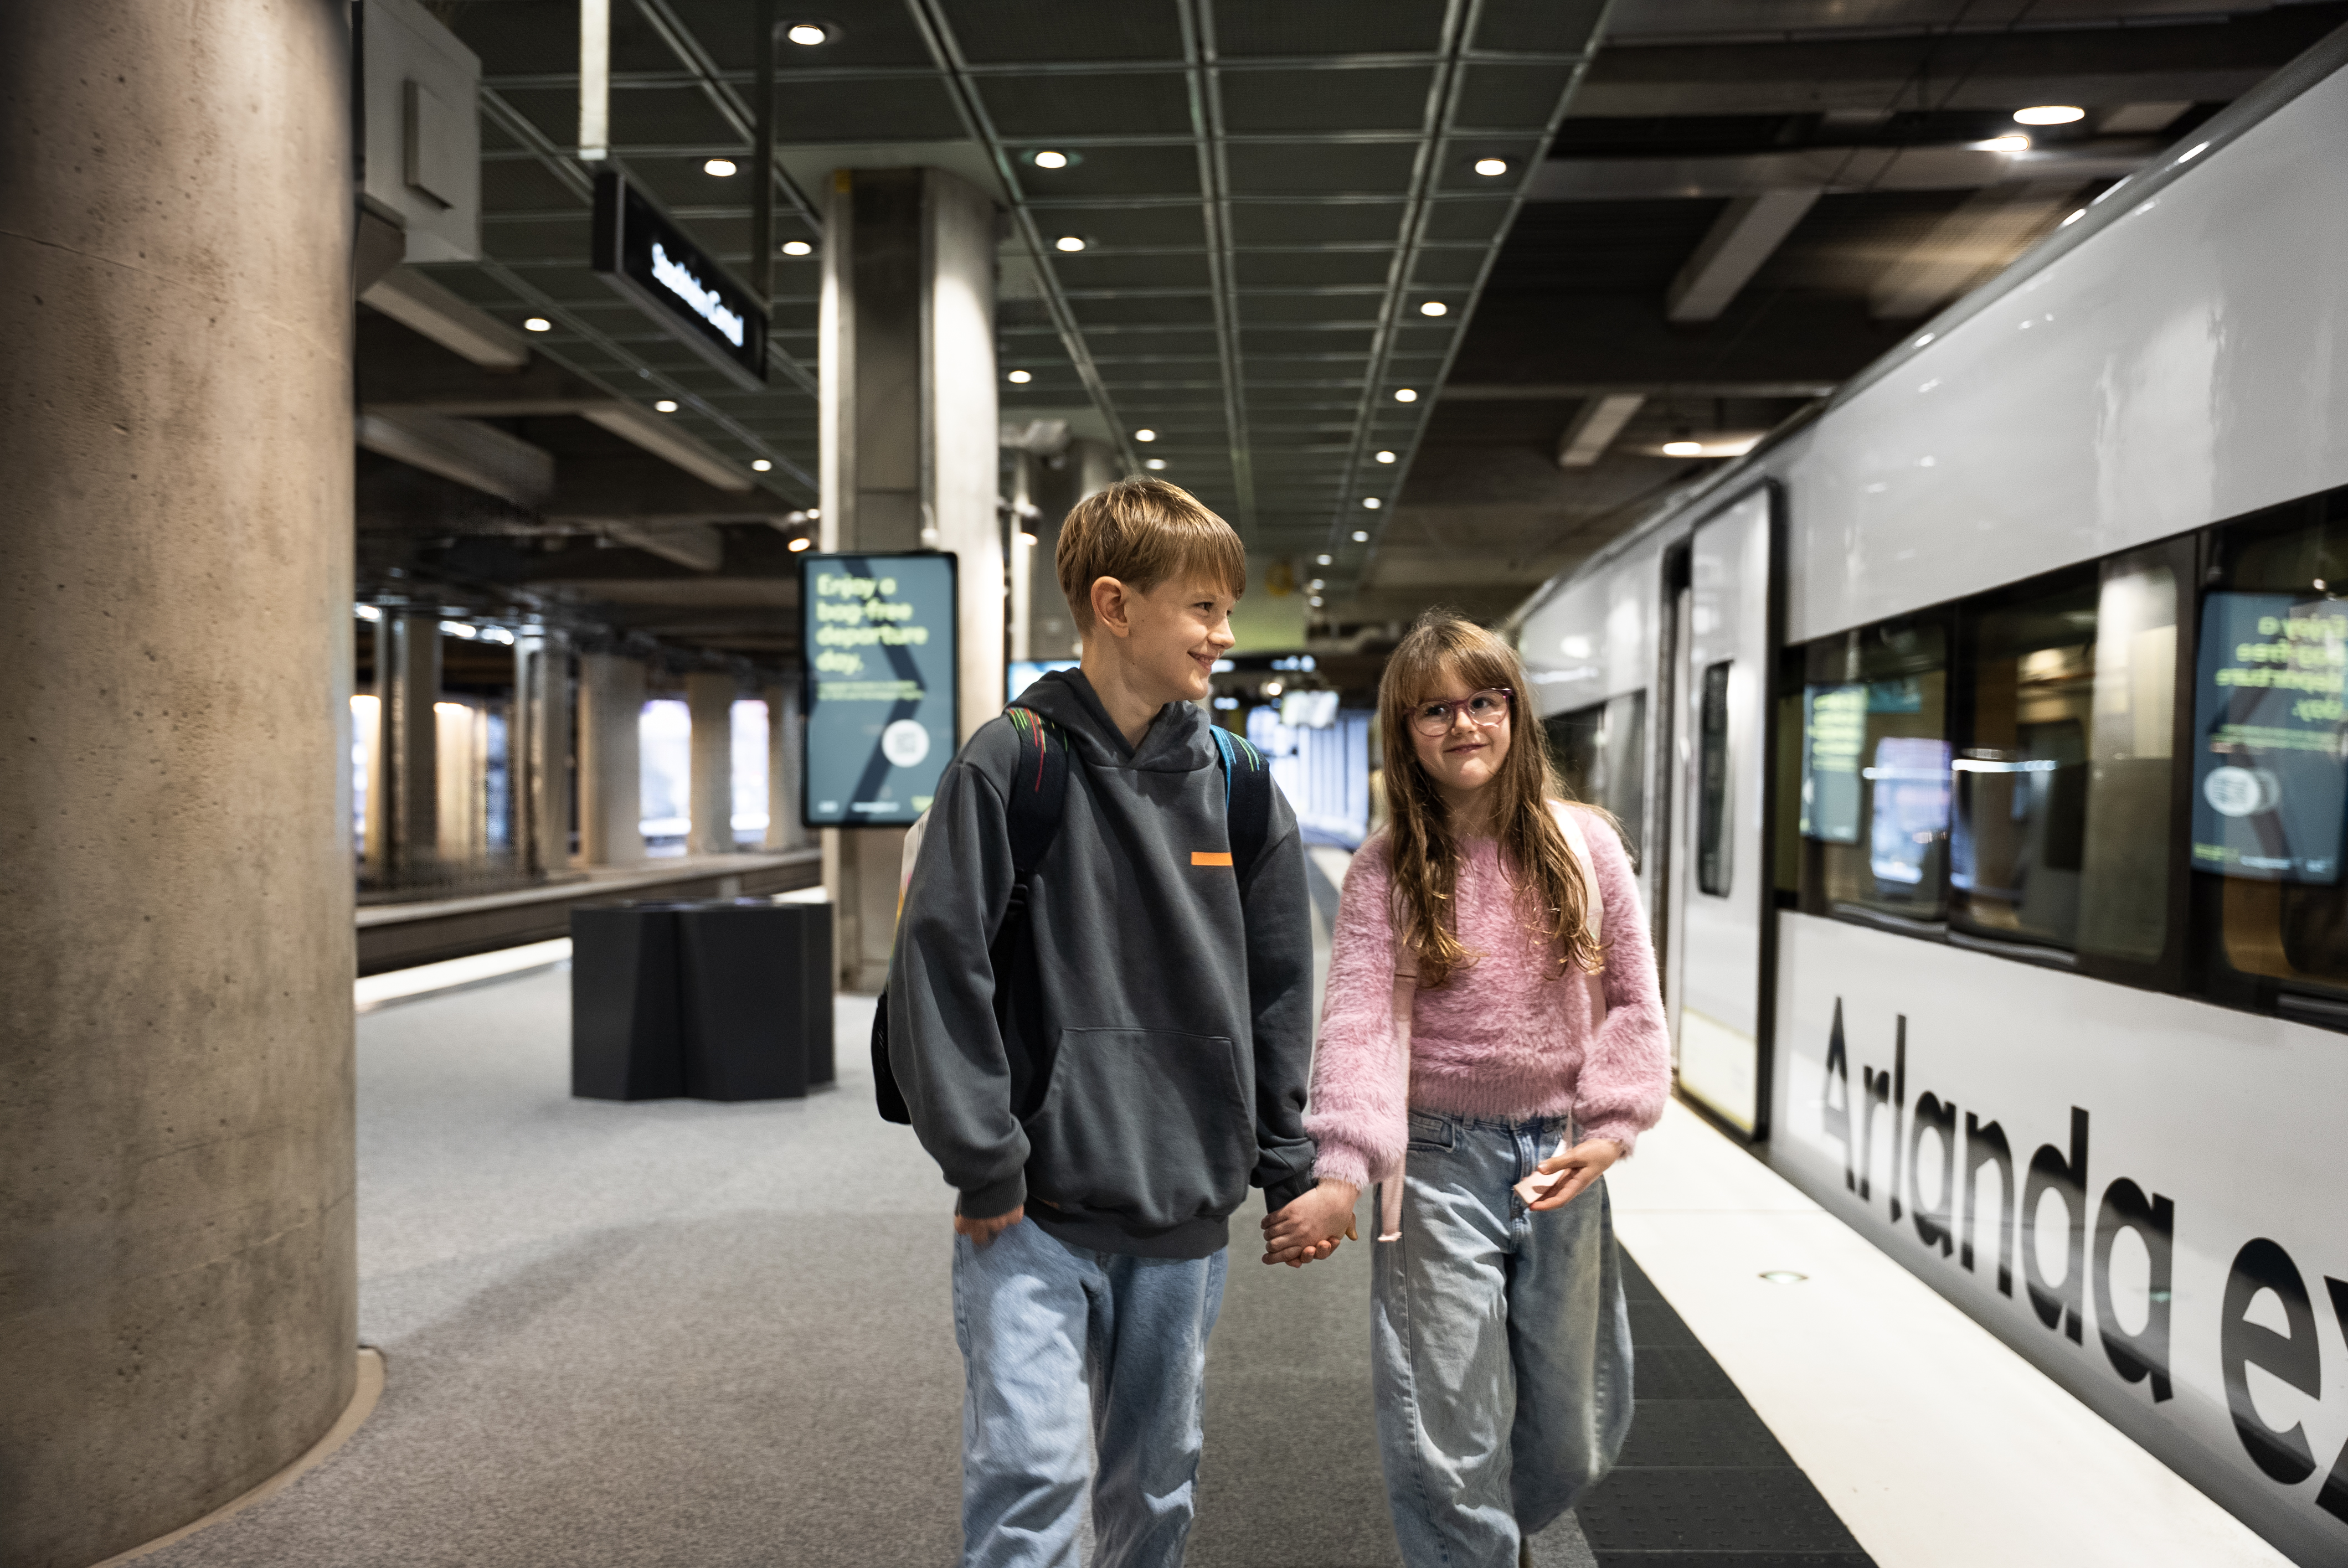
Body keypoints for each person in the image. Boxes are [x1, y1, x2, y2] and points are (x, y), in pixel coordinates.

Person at [887, 477, 1330, 1568]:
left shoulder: (1235, 781)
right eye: (1203, 608)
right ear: (1114, 604)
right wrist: (984, 1164)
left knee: (1157, 1481)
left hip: (1182, 1217)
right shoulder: (1011, 763)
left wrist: (1288, 1165)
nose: (1224, 636)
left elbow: (1281, 989)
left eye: (1227, 611)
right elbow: (939, 969)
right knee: (1028, 1479)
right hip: (1030, 1213)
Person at [1262, 611, 1671, 1568]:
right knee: (1446, 1423)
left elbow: (1634, 1002)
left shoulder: (1587, 846)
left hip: (1565, 1158)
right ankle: (1471, 1545)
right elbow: (1360, 1023)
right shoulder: (1387, 866)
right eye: (1434, 710)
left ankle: (1496, 1529)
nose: (1464, 725)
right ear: (1405, 734)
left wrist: (1613, 1129)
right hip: (1438, 1160)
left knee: (1574, 1425)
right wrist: (1342, 1169)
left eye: (1483, 701)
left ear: (1516, 712)